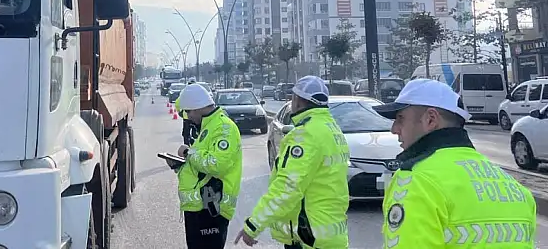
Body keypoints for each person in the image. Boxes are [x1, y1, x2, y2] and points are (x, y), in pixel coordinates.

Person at [372, 78, 537, 248]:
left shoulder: (417, 181)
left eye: (400, 118)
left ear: (430, 119)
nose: (394, 128)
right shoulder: (513, 187)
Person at [234, 76, 350, 248]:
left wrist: (254, 225)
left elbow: (287, 187)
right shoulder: (333, 129)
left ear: (297, 100)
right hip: (332, 234)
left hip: (309, 236)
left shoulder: (305, 135)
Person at [175, 83, 242, 248]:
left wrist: (188, 153)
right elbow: (201, 167)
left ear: (197, 107)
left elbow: (216, 164)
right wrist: (180, 166)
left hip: (212, 209)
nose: (188, 117)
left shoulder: (224, 128)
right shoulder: (207, 127)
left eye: (188, 112)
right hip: (200, 208)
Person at [176, 78, 200, 145]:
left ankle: (186, 148)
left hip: (187, 117)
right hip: (197, 117)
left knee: (186, 133)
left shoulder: (184, 91)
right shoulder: (199, 92)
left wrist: (180, 112)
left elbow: (178, 103)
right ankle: (195, 146)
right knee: (196, 134)